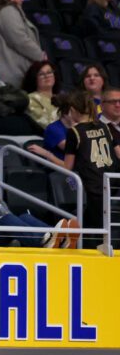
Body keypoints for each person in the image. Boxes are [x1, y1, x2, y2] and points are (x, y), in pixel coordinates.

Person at [62, 90, 120, 246]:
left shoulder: (74, 132)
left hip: (93, 185)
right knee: (107, 225)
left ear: (73, 109)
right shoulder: (104, 126)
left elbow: (67, 167)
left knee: (97, 230)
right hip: (113, 183)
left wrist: (46, 154)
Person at [22, 60, 60, 130]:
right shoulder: (31, 99)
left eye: (49, 72)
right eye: (41, 74)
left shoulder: (62, 98)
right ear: (34, 78)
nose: (46, 76)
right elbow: (47, 125)